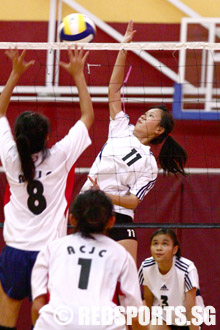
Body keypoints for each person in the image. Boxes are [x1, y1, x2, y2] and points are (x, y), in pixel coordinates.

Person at [0, 45, 94, 329]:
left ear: (17, 137)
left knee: (6, 319)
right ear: (49, 136)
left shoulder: (10, 157)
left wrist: (14, 74)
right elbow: (87, 116)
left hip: (15, 250)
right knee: (46, 318)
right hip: (50, 252)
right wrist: (78, 75)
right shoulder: (61, 156)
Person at [81, 21, 187, 262]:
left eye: (150, 116)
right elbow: (114, 90)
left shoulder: (150, 164)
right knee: (88, 269)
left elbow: (133, 201)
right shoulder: (121, 127)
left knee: (127, 276)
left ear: (159, 129)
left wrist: (105, 194)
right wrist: (123, 47)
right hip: (89, 204)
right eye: (145, 112)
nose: (143, 115)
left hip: (119, 213)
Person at [31, 189, 148, 330]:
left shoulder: (52, 249)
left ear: (72, 219)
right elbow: (135, 316)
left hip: (55, 325)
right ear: (111, 221)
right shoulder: (120, 255)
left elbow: (37, 308)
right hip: (103, 325)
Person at [138, 228, 204, 330]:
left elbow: (191, 309)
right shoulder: (146, 266)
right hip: (163, 318)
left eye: (165, 244)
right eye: (155, 244)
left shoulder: (187, 269)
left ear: (175, 249)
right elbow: (148, 300)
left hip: (187, 320)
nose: (159, 248)